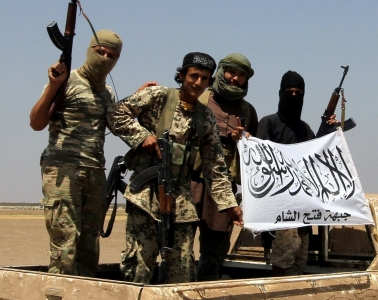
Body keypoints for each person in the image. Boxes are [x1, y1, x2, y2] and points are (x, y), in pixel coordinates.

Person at [110, 52, 243, 284]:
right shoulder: (158, 96)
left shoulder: (206, 119)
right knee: (141, 264)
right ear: (182, 75)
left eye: (204, 78)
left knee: (181, 268)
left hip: (181, 200)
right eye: (193, 76)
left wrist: (229, 205)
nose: (198, 83)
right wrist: (141, 136)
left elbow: (215, 168)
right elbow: (115, 113)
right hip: (146, 196)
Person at [29, 30, 122, 277]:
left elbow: (116, 125)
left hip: (94, 171)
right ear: (90, 50)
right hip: (63, 170)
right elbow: (36, 122)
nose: (105, 58)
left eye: (111, 55)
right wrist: (53, 86)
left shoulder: (107, 93)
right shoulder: (66, 81)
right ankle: (59, 297)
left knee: (89, 245)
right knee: (65, 242)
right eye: (100, 52)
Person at [255, 71, 338, 276]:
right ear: (280, 93)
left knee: (300, 259)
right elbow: (259, 163)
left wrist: (327, 132)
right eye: (289, 91)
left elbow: (314, 159)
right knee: (283, 259)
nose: (293, 96)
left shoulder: (305, 128)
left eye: (298, 92)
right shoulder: (268, 123)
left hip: (302, 206)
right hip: (279, 205)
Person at [192, 54, 258, 281]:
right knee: (177, 245)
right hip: (191, 180)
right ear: (221, 72)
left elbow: (255, 153)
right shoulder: (199, 98)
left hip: (224, 188)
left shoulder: (248, 111)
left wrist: (245, 138)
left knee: (215, 251)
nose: (235, 78)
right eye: (232, 72)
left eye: (241, 75)